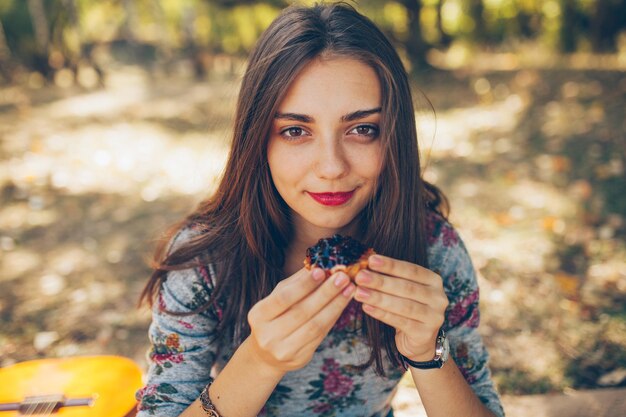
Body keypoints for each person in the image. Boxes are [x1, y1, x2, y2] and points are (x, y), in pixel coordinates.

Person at [135, 2, 505, 417]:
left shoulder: (434, 250)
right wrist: (259, 360)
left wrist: (427, 351)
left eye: (362, 129)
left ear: (394, 137)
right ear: (258, 141)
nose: (331, 167)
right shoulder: (201, 262)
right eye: (295, 131)